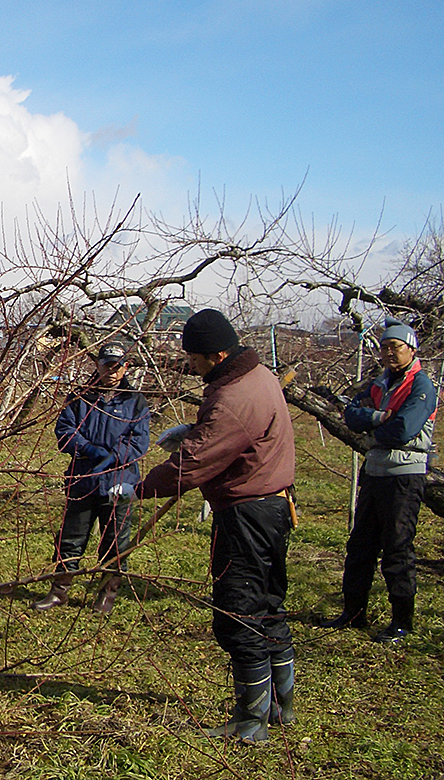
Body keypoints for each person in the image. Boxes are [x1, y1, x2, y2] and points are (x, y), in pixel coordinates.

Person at [138, 309, 296, 744]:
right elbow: (228, 435)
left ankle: (251, 719)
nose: (190, 365)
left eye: (195, 358)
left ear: (218, 354)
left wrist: (141, 486)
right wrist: (195, 428)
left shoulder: (234, 397)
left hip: (247, 512)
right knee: (267, 603)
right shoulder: (255, 375)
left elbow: (198, 460)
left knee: (238, 610)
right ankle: (283, 704)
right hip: (272, 505)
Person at [321, 320, 437, 643]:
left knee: (397, 549)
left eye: (395, 347)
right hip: (374, 472)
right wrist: (376, 419)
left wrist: (372, 426)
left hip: (404, 477)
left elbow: (403, 430)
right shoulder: (378, 384)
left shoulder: (422, 386)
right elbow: (351, 414)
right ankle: (353, 612)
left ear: (411, 349)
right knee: (360, 546)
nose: (388, 353)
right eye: (384, 347)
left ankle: (402, 621)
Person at [33, 342, 150, 615]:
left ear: (126, 367)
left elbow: (139, 441)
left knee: (115, 542)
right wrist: (87, 449)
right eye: (106, 364)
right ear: (96, 365)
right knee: (70, 538)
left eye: (117, 365)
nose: (111, 370)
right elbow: (64, 430)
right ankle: (59, 590)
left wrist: (115, 455)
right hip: (83, 478)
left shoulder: (135, 401)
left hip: (119, 481)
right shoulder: (80, 397)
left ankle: (107, 594)